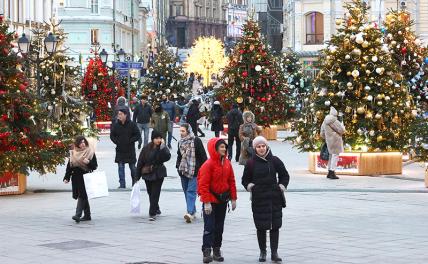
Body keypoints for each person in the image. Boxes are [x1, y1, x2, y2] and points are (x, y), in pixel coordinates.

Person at [242, 136, 290, 262]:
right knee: (261, 227)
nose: (261, 148)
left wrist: (282, 185)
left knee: (275, 226)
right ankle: (263, 252)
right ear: (255, 148)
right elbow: (245, 180)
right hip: (259, 199)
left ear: (267, 146)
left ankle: (274, 253)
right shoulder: (251, 163)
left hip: (274, 198)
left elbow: (284, 175)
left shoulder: (275, 160)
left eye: (263, 146)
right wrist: (249, 186)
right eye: (258, 146)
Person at [198, 138, 237, 263]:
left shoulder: (227, 163)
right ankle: (206, 250)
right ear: (214, 149)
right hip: (211, 201)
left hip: (223, 200)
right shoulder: (208, 165)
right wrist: (207, 202)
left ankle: (216, 250)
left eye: (225, 147)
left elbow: (231, 181)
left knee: (219, 227)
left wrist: (233, 198)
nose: (224, 149)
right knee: (209, 226)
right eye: (221, 147)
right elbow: (203, 185)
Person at [136, 130, 171, 221]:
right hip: (147, 173)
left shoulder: (162, 147)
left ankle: (152, 213)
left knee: (155, 193)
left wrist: (163, 146)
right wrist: (136, 177)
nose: (158, 140)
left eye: (160, 138)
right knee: (150, 193)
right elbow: (140, 162)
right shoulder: (146, 148)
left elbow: (167, 157)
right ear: (152, 139)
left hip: (159, 173)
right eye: (156, 138)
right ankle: (156, 207)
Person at [176, 123, 207, 223]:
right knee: (186, 191)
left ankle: (189, 212)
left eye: (183, 131)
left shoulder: (196, 140)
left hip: (195, 170)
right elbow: (179, 155)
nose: (181, 133)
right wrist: (178, 166)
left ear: (188, 131)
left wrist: (203, 170)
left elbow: (203, 156)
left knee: (191, 191)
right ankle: (192, 211)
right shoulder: (180, 142)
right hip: (183, 170)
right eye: (180, 131)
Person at [64, 136, 98, 223]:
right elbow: (69, 166)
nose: (83, 144)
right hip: (76, 177)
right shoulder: (73, 153)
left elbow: (95, 166)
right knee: (83, 195)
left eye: (84, 142)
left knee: (82, 195)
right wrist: (66, 177)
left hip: (85, 177)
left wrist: (89, 162)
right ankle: (87, 215)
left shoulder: (90, 152)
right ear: (77, 144)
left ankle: (77, 214)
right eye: (80, 142)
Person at [110, 108, 141, 188]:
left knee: (133, 168)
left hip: (130, 149)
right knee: (120, 167)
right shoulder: (116, 125)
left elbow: (138, 135)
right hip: (120, 149)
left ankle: (135, 183)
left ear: (125, 115)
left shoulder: (132, 124)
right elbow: (112, 135)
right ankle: (122, 184)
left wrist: (130, 140)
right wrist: (117, 141)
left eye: (120, 114)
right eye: (118, 114)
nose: (119, 116)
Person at [320, 106, 346, 180]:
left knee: (331, 156)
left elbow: (322, 133)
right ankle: (332, 172)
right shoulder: (335, 121)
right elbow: (341, 130)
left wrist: (327, 138)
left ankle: (329, 172)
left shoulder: (325, 121)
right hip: (336, 140)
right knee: (335, 156)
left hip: (329, 141)